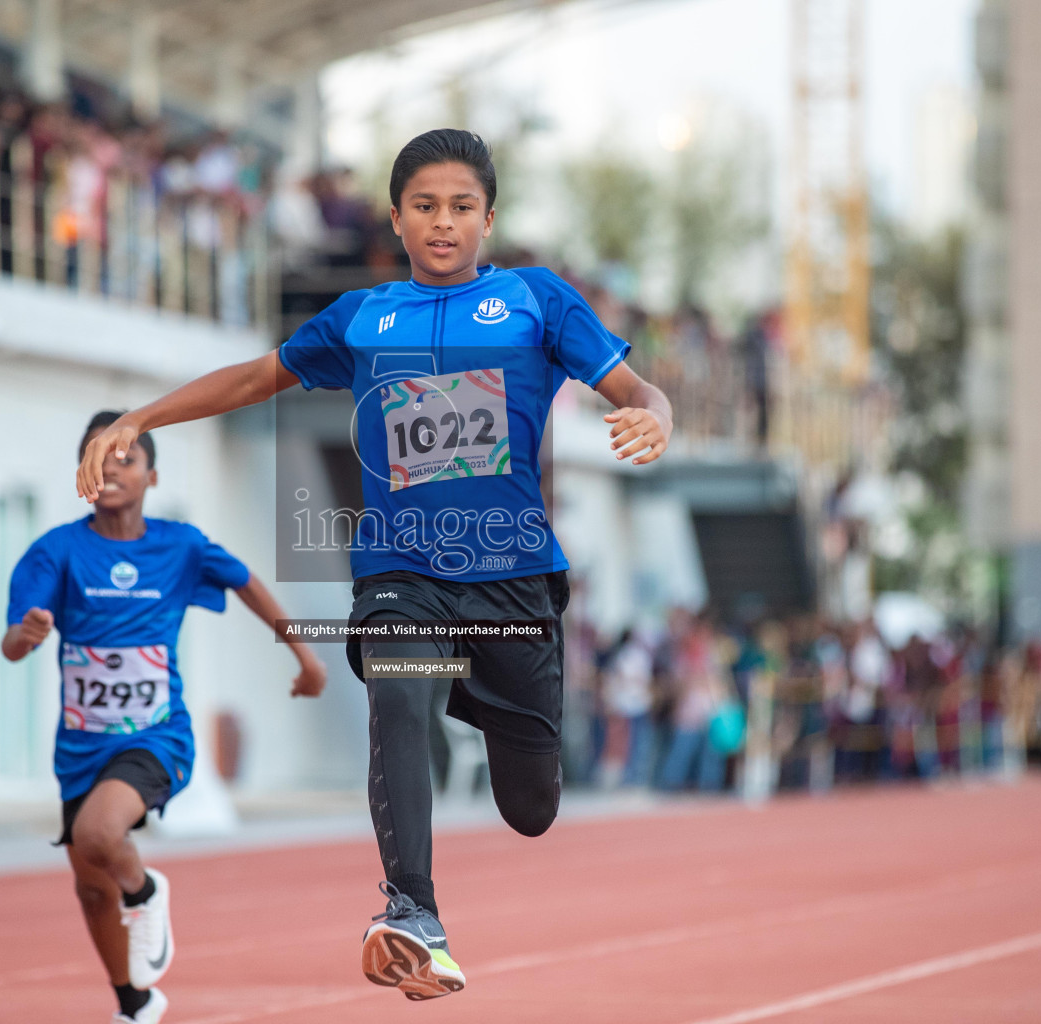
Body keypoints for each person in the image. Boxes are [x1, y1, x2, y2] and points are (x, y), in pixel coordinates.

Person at [76, 129, 673, 1001]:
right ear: (396, 219)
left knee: (531, 810)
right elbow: (252, 380)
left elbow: (635, 390)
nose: (443, 223)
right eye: (424, 207)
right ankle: (412, 912)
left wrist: (655, 415)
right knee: (397, 682)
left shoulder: (537, 302)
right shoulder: (361, 318)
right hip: (401, 573)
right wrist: (139, 420)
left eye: (461, 207)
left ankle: (463, 690)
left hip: (512, 583)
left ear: (488, 219)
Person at [5, 411, 326, 1024]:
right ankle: (135, 1002)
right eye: (97, 457)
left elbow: (248, 584)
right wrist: (27, 634)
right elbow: (13, 643)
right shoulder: (57, 551)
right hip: (80, 745)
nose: (111, 469)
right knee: (90, 883)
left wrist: (306, 658)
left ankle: (147, 891)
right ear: (82, 473)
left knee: (102, 837)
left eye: (125, 457)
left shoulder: (179, 545)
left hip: (157, 736)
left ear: (152, 474)